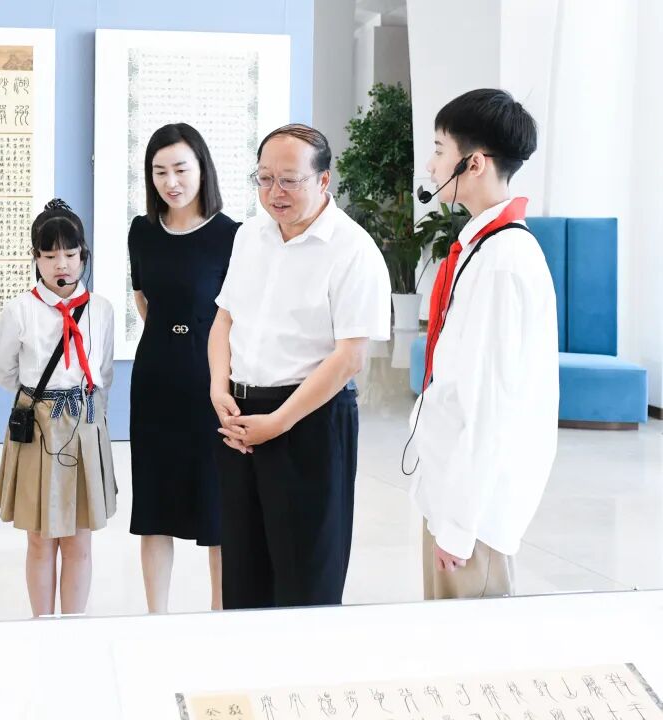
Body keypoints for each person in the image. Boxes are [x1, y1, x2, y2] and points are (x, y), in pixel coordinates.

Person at [209, 123, 390, 610]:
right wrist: (218, 388)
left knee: (306, 576)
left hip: (310, 419)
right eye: (264, 178)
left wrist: (278, 422)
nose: (275, 192)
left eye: (289, 180)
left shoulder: (352, 249)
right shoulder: (250, 235)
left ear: (324, 180)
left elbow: (350, 357)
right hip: (240, 418)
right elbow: (224, 318)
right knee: (243, 574)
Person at [409, 88, 557, 600]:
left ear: (473, 163)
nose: (431, 166)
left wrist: (458, 525)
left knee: (471, 641)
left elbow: (492, 407)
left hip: (472, 513)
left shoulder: (502, 262)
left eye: (439, 150)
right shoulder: (485, 246)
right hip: (453, 493)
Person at [128, 123, 238, 613]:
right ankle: (156, 617)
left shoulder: (231, 235)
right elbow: (144, 301)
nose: (170, 182)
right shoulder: (142, 231)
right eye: (159, 172)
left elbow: (234, 317)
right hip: (155, 380)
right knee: (154, 507)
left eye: (180, 169)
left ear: (202, 169)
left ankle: (220, 616)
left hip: (212, 382)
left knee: (218, 508)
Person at [0, 199, 116, 618]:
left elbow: (104, 372)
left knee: (79, 539)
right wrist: (42, 401)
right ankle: (42, 625)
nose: (60, 264)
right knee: (40, 539)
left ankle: (74, 626)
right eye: (49, 255)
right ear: (36, 258)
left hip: (84, 424)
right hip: (38, 425)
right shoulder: (20, 310)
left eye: (70, 253)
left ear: (83, 255)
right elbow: (4, 371)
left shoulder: (101, 309)